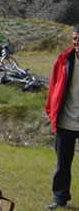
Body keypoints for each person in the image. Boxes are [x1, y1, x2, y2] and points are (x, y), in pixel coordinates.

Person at [45, 24, 79, 210]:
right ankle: (59, 198)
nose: (77, 43)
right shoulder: (64, 60)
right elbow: (53, 88)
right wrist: (52, 113)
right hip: (65, 121)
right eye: (75, 39)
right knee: (62, 165)